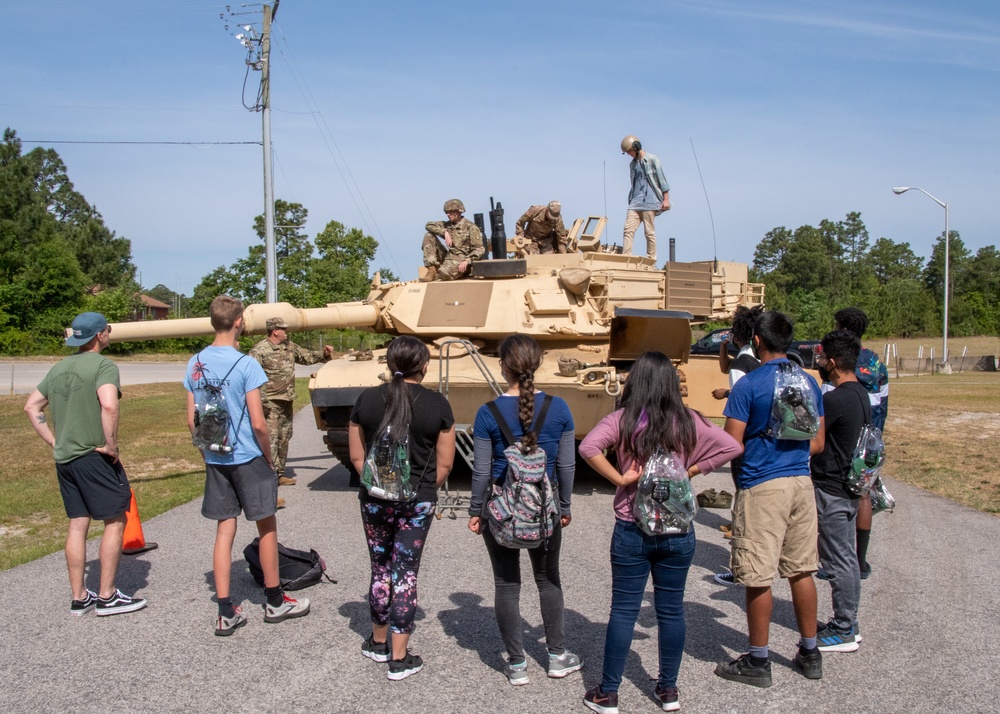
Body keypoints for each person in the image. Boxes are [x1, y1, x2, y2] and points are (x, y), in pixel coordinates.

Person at [580, 351, 742, 713]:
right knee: (671, 611)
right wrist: (692, 470)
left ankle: (608, 692)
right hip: (677, 530)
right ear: (672, 383)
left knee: (623, 611)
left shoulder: (622, 420)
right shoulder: (689, 421)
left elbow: (588, 447)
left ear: (634, 381)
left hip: (631, 527)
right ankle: (668, 689)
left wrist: (621, 479)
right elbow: (733, 446)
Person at [184, 296, 309, 636]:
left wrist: (207, 454)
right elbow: (258, 423)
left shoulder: (194, 362)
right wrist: (269, 459)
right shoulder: (246, 364)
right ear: (239, 321)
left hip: (216, 456)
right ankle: (274, 601)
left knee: (225, 530)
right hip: (248, 457)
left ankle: (226, 611)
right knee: (266, 527)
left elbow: (191, 419)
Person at [714, 310, 825, 688]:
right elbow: (818, 442)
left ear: (757, 341)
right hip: (800, 482)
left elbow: (730, 444)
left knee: (757, 574)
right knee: (801, 569)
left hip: (763, 486)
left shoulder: (749, 384)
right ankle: (810, 652)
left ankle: (758, 660)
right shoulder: (808, 382)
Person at [467, 335, 581, 686]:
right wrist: (564, 506)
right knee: (548, 581)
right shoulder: (560, 408)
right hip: (545, 512)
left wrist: (476, 509)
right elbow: (566, 465)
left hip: (501, 511)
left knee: (506, 583)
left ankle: (517, 664)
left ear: (503, 366)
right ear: (538, 364)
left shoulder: (487, 412)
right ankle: (557, 656)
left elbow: (482, 471)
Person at [24, 312, 148, 617]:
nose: (108, 333)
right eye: (106, 330)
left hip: (66, 459)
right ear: (99, 336)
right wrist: (111, 445)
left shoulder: (59, 368)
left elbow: (31, 406)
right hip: (94, 456)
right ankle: (107, 596)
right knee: (115, 521)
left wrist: (55, 441)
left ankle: (79, 597)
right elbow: (108, 403)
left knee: (78, 524)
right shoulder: (104, 365)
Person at [349, 336, 456, 680]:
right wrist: (422, 491)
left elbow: (356, 456)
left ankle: (378, 643)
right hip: (417, 501)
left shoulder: (367, 399)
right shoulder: (437, 404)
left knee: (380, 568)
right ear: (424, 366)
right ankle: (399, 657)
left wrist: (379, 487)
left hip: (374, 500)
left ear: (389, 363)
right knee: (405, 573)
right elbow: (446, 465)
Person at [811, 329, 870, 653]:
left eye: (821, 359)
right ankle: (849, 622)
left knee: (837, 561)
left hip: (831, 489)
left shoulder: (834, 400)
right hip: (848, 487)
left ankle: (844, 627)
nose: (819, 363)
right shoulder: (860, 394)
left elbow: (812, 440)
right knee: (846, 558)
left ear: (831, 363)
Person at [832, 307, 889, 581]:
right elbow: (883, 403)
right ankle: (860, 561)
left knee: (834, 497)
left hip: (843, 437)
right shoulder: (876, 361)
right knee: (863, 494)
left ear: (842, 328)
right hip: (870, 438)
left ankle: (837, 560)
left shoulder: (843, 360)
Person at [711, 304, 763, 586]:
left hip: (746, 441)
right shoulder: (753, 359)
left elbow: (745, 403)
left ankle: (740, 569)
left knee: (743, 503)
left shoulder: (742, 366)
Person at [249, 317, 333, 489]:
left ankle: (279, 473)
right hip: (269, 402)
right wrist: (260, 402)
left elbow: (307, 358)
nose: (286, 332)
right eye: (283, 329)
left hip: (286, 400)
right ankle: (268, 478)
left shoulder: (289, 346)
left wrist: (324, 355)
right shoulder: (260, 350)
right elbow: (251, 378)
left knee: (284, 436)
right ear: (275, 331)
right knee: (271, 439)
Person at [620, 134, 670, 261]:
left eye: (629, 151)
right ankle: (625, 259)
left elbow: (662, 180)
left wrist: (666, 199)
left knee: (649, 232)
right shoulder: (632, 165)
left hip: (650, 201)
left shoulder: (653, 159)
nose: (629, 154)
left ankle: (651, 260)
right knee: (628, 230)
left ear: (636, 147)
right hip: (635, 202)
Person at [421, 198, 486, 282]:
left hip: (461, 259)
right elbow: (428, 225)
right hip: (448, 256)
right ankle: (432, 269)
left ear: (459, 211)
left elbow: (479, 249)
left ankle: (440, 273)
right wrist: (444, 232)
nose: (448, 214)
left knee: (444, 274)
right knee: (429, 235)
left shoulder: (471, 227)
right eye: (447, 212)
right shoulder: (447, 225)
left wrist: (467, 261)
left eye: (451, 212)